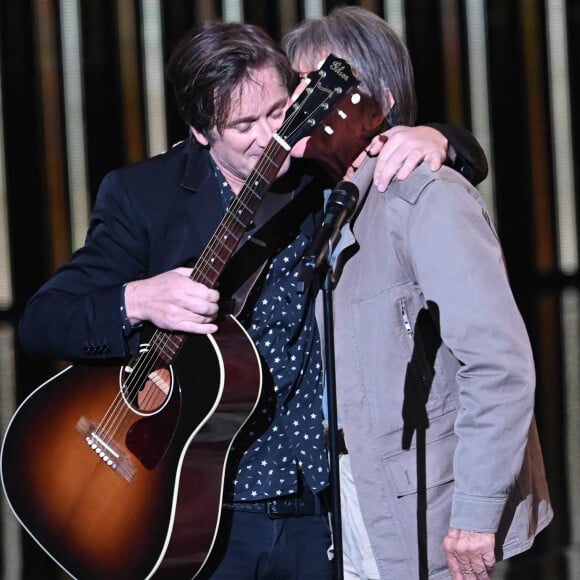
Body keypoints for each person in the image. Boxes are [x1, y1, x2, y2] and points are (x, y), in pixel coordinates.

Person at [16, 18, 488, 580]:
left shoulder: (318, 169)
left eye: (279, 110)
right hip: (198, 507)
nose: (271, 136)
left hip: (321, 506)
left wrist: (439, 138)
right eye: (244, 124)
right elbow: (44, 322)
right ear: (201, 130)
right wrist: (140, 298)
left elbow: (452, 162)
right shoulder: (146, 195)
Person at [283, 6, 553, 579]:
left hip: (432, 510)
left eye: (321, 86)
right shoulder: (329, 204)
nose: (299, 106)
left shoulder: (424, 195)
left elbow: (497, 363)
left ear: (378, 99)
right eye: (298, 87)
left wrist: (477, 515)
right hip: (354, 501)